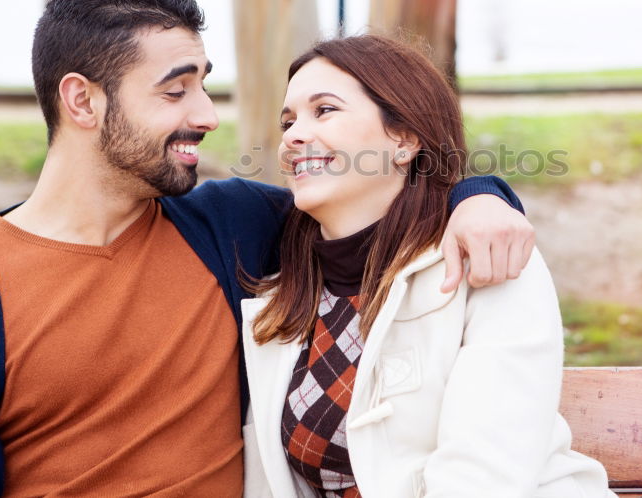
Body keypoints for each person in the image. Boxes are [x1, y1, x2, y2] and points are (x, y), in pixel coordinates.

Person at [0, 0, 536, 496]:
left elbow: (389, 200)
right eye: (175, 92)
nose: (206, 116)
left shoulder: (230, 227)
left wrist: (479, 197)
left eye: (204, 86)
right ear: (82, 101)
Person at [241, 35, 613, 498]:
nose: (293, 136)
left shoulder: (486, 260)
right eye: (288, 120)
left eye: (325, 110)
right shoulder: (282, 293)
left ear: (404, 139)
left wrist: (479, 193)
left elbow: (481, 480)